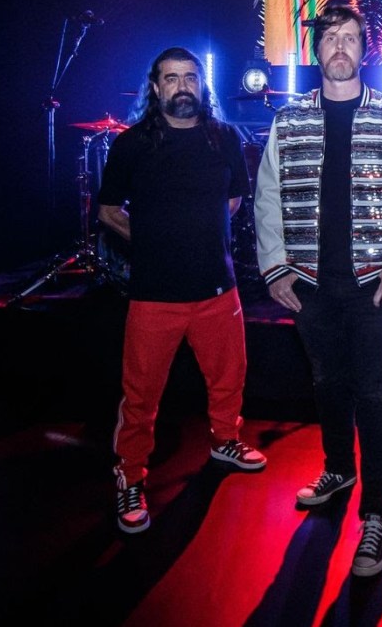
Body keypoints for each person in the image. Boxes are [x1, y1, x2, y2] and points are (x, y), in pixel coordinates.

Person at [254, 5, 382, 578]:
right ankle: (339, 469)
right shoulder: (289, 120)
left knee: (375, 395)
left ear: (364, 49)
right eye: (330, 37)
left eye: (350, 38)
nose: (339, 46)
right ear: (317, 50)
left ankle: (376, 515)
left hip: (373, 286)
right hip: (310, 286)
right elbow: (267, 198)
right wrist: (276, 268)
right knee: (327, 384)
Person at [96, 46, 267, 534]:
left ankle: (225, 441)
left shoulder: (225, 137)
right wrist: (154, 240)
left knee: (229, 379)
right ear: (155, 88)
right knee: (141, 397)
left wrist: (199, 236)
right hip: (154, 294)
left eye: (190, 77)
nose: (182, 87)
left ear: (201, 84)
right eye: (171, 79)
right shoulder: (131, 145)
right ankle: (130, 475)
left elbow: (234, 199)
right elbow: (108, 211)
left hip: (217, 288)